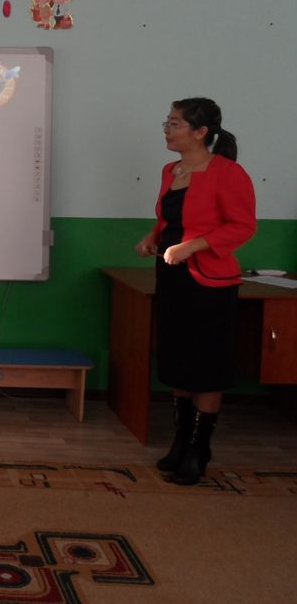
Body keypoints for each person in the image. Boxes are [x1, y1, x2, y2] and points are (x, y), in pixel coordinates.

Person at [134, 98, 256, 485]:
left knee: (206, 367)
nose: (167, 130)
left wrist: (192, 247)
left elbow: (242, 226)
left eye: (175, 124)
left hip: (210, 284)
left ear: (201, 132)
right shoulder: (171, 170)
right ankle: (180, 443)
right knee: (177, 361)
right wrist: (153, 237)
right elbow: (168, 219)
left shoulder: (228, 173)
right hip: (172, 278)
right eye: (167, 123)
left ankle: (199, 449)